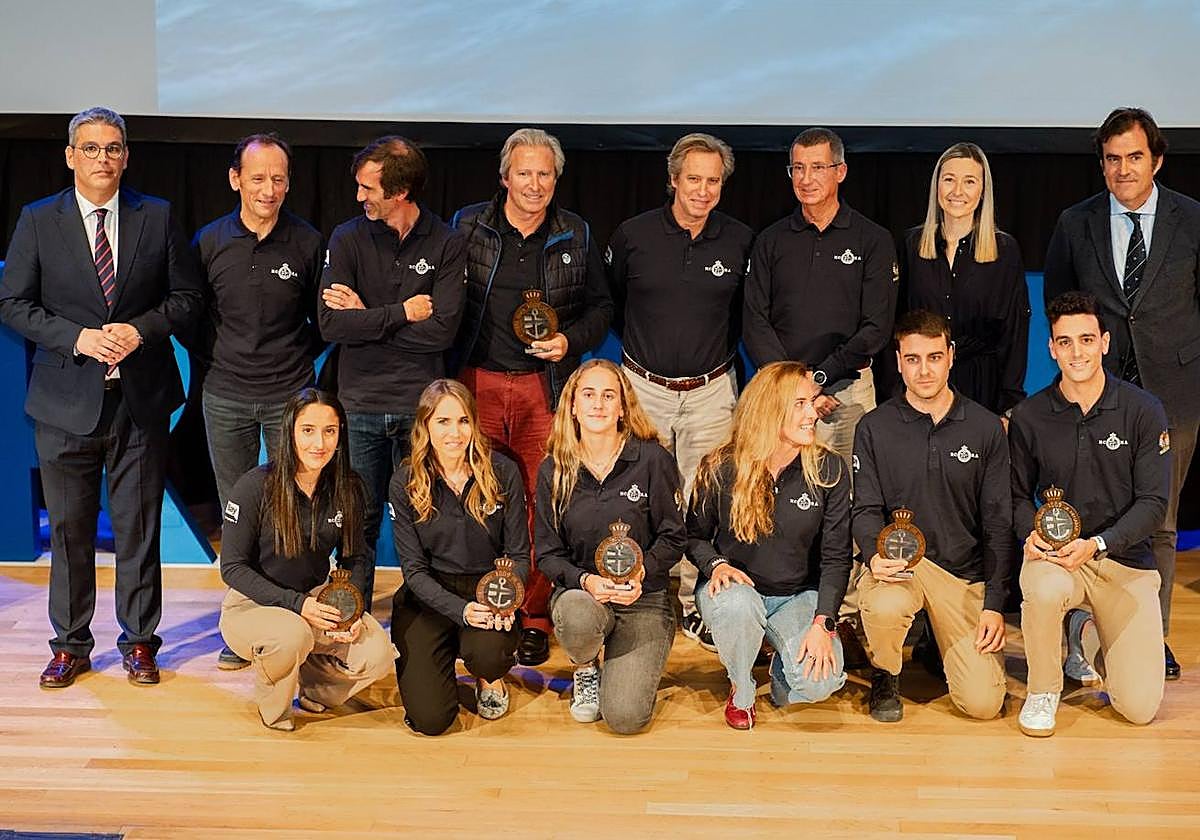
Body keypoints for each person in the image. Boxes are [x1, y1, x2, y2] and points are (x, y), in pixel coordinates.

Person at [0, 107, 202, 689]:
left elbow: (186, 298)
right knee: (69, 530)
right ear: (70, 155)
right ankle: (70, 644)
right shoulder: (39, 220)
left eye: (113, 148)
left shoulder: (156, 216)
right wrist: (80, 338)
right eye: (90, 148)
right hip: (64, 405)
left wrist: (139, 330)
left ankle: (140, 642)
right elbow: (13, 303)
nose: (103, 159)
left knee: (139, 527)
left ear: (126, 155)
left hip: (139, 401)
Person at [1043, 107, 1200, 681]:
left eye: (1134, 157)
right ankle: (1078, 640)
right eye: (1112, 159)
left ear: (1156, 160)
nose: (1123, 169)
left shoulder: (1193, 220)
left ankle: (1149, 640)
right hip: (1093, 392)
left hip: (1175, 394)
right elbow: (1059, 307)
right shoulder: (1074, 222)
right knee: (1081, 514)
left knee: (1159, 519)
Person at [452, 128, 613, 667]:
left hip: (546, 390)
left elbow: (601, 310)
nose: (535, 183)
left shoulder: (576, 232)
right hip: (479, 384)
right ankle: (482, 610)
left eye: (545, 173)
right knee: (478, 499)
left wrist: (571, 340)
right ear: (504, 177)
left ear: (556, 178)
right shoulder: (468, 225)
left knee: (543, 504)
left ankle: (536, 616)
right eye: (524, 172)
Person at [607, 132, 754, 652]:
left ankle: (699, 605)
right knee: (636, 489)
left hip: (712, 390)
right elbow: (618, 304)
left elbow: (743, 317)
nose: (703, 190)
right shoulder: (632, 235)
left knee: (706, 496)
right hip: (642, 387)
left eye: (714, 181)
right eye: (694, 179)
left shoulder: (740, 241)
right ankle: (637, 593)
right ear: (673, 179)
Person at [191, 132, 325, 671]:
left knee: (292, 509)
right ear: (235, 180)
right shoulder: (208, 241)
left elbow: (323, 321)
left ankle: (301, 619)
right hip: (224, 394)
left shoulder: (308, 243)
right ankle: (244, 621)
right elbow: (194, 318)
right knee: (238, 509)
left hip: (288, 395)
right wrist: (224, 359)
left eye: (278, 179)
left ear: (288, 183)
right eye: (257, 178)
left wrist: (289, 360)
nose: (268, 189)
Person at [1010, 291, 1169, 737]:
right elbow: (1016, 495)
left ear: (1104, 342)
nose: (1075, 352)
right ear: (1052, 348)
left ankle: (1087, 634)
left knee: (1138, 709)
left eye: (1085, 340)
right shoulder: (1030, 415)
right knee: (1041, 589)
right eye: (1065, 342)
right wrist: (1030, 533)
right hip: (1060, 558)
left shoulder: (1143, 410)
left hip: (1124, 562)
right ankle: (1044, 690)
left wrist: (1099, 543)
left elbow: (1155, 504)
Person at [319, 136, 466, 607]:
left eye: (369, 188)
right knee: (357, 518)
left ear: (400, 192)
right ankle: (350, 615)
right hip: (359, 404)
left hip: (420, 407)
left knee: (426, 513)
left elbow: (442, 332)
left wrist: (368, 315)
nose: (360, 197)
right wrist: (400, 312)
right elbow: (331, 323)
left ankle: (426, 613)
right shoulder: (347, 237)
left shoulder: (446, 241)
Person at [852, 310, 1012, 723]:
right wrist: (873, 556)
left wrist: (995, 603)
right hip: (902, 567)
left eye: (934, 357)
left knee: (983, 705)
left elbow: (998, 522)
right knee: (885, 605)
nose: (924, 370)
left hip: (962, 575)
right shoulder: (874, 427)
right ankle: (886, 673)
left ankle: (937, 645)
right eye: (913, 359)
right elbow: (866, 510)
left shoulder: (984, 427)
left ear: (951, 355)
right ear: (899, 360)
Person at [219, 389, 395, 731]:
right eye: (308, 430)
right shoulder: (254, 487)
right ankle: (274, 705)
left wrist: (351, 612)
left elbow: (355, 555)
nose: (319, 443)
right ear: (290, 431)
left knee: (378, 653)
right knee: (292, 635)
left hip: (314, 599)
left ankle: (315, 689)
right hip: (252, 605)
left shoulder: (348, 486)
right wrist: (297, 605)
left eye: (329, 431)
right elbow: (233, 568)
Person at [688, 361, 851, 730]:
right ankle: (741, 687)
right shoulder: (721, 466)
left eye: (813, 402)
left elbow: (837, 557)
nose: (814, 413)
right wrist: (715, 565)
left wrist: (823, 623)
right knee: (737, 606)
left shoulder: (830, 470)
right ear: (769, 409)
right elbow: (692, 536)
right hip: (737, 592)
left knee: (818, 683)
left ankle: (781, 668)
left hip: (797, 595)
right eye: (801, 404)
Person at [534, 360, 685, 734]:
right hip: (584, 595)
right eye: (588, 394)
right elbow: (549, 554)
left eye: (608, 395)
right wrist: (585, 581)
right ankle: (586, 667)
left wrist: (643, 571)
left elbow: (674, 536)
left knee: (625, 718)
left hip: (644, 597)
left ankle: (627, 653)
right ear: (572, 405)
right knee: (577, 612)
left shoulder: (653, 460)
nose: (598, 404)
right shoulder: (554, 469)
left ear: (623, 407)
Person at [389, 379, 529, 735]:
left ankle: (488, 677)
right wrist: (460, 612)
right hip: (428, 596)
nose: (455, 432)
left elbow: (517, 554)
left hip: (488, 590)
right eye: (443, 421)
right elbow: (414, 571)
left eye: (463, 421)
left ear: (474, 423)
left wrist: (507, 599)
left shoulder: (503, 472)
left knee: (487, 654)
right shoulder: (405, 480)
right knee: (431, 720)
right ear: (425, 426)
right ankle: (440, 654)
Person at [897, 142, 1029, 416]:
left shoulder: (1004, 250)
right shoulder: (911, 245)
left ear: (982, 191)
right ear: (937, 187)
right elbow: (896, 323)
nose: (957, 191)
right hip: (921, 387)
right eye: (949, 180)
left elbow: (1014, 332)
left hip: (982, 391)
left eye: (969, 181)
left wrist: (1009, 406)